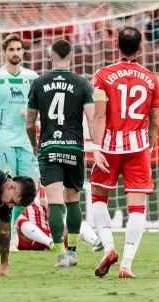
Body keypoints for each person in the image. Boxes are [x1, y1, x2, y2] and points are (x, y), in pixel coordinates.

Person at [88, 27, 159, 279]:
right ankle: (127, 265)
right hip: (138, 147)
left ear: (116, 44)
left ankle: (109, 248)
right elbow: (155, 118)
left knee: (98, 199)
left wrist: (96, 147)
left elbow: (99, 114)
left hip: (109, 145)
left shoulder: (103, 76)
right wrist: (149, 144)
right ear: (140, 47)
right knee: (137, 208)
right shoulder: (151, 79)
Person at [26, 39, 102, 268]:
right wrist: (97, 146)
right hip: (74, 148)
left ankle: (60, 255)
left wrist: (34, 145)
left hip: (49, 147)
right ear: (72, 57)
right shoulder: (82, 84)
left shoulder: (39, 83)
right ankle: (73, 251)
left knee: (55, 203)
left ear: (50, 57)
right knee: (73, 201)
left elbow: (30, 123)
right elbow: (92, 119)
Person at [0, 34, 41, 251]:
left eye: (19, 49)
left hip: (26, 141)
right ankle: (8, 234)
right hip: (2, 140)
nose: (15, 53)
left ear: (23, 52)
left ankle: (10, 226)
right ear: (5, 52)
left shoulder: (32, 77)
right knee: (7, 189)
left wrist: (33, 115)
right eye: (11, 49)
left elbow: (41, 108)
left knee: (33, 187)